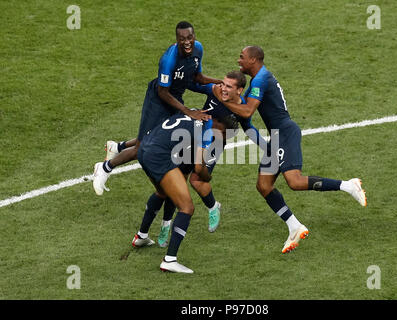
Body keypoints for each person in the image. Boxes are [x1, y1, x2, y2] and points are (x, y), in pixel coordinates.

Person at [212, 46, 367, 254]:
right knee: (264, 185)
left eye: (242, 57)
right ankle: (294, 227)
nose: (239, 60)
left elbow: (247, 110)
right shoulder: (255, 84)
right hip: (276, 138)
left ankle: (348, 185)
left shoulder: (261, 79)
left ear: (254, 60)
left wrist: (225, 102)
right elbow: (247, 122)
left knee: (294, 181)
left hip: (285, 133)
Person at [93, 21, 222, 195]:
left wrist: (218, 82)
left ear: (194, 36)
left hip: (175, 99)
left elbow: (197, 77)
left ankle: (116, 148)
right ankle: (104, 168)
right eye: (182, 38)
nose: (187, 41)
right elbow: (162, 92)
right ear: (177, 39)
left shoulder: (198, 49)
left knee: (158, 136)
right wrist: (187, 111)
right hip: (158, 101)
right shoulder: (169, 59)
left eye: (189, 37)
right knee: (142, 148)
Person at [153, 70, 267, 246]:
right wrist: (180, 76)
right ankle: (165, 225)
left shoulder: (242, 108)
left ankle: (213, 207)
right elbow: (192, 84)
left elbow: (249, 128)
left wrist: (268, 148)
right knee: (176, 182)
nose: (223, 88)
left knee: (197, 180)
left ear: (239, 90)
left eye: (229, 86)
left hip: (215, 144)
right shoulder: (214, 90)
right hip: (193, 137)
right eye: (223, 84)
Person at [136, 112, 239, 273]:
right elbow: (198, 168)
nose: (221, 137)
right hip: (158, 156)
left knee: (162, 192)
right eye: (223, 132)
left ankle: (141, 236)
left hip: (144, 149)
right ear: (217, 121)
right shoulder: (207, 129)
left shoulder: (197, 113)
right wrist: (207, 176)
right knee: (187, 208)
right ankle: (169, 260)